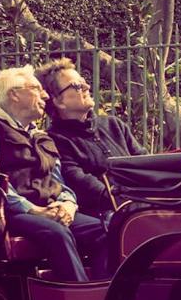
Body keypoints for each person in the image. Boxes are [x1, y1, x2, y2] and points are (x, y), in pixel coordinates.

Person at [0, 65, 108, 281]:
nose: (46, 95)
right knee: (57, 233)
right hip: (11, 213)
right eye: (37, 89)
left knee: (105, 232)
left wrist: (68, 204)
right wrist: (33, 210)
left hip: (49, 209)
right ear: (14, 94)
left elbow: (58, 181)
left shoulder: (39, 135)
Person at [36, 57, 143, 219]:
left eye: (83, 82)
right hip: (107, 215)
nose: (86, 87)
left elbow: (145, 161)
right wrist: (129, 201)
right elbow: (86, 185)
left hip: (142, 202)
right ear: (58, 101)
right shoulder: (55, 141)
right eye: (77, 86)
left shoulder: (114, 125)